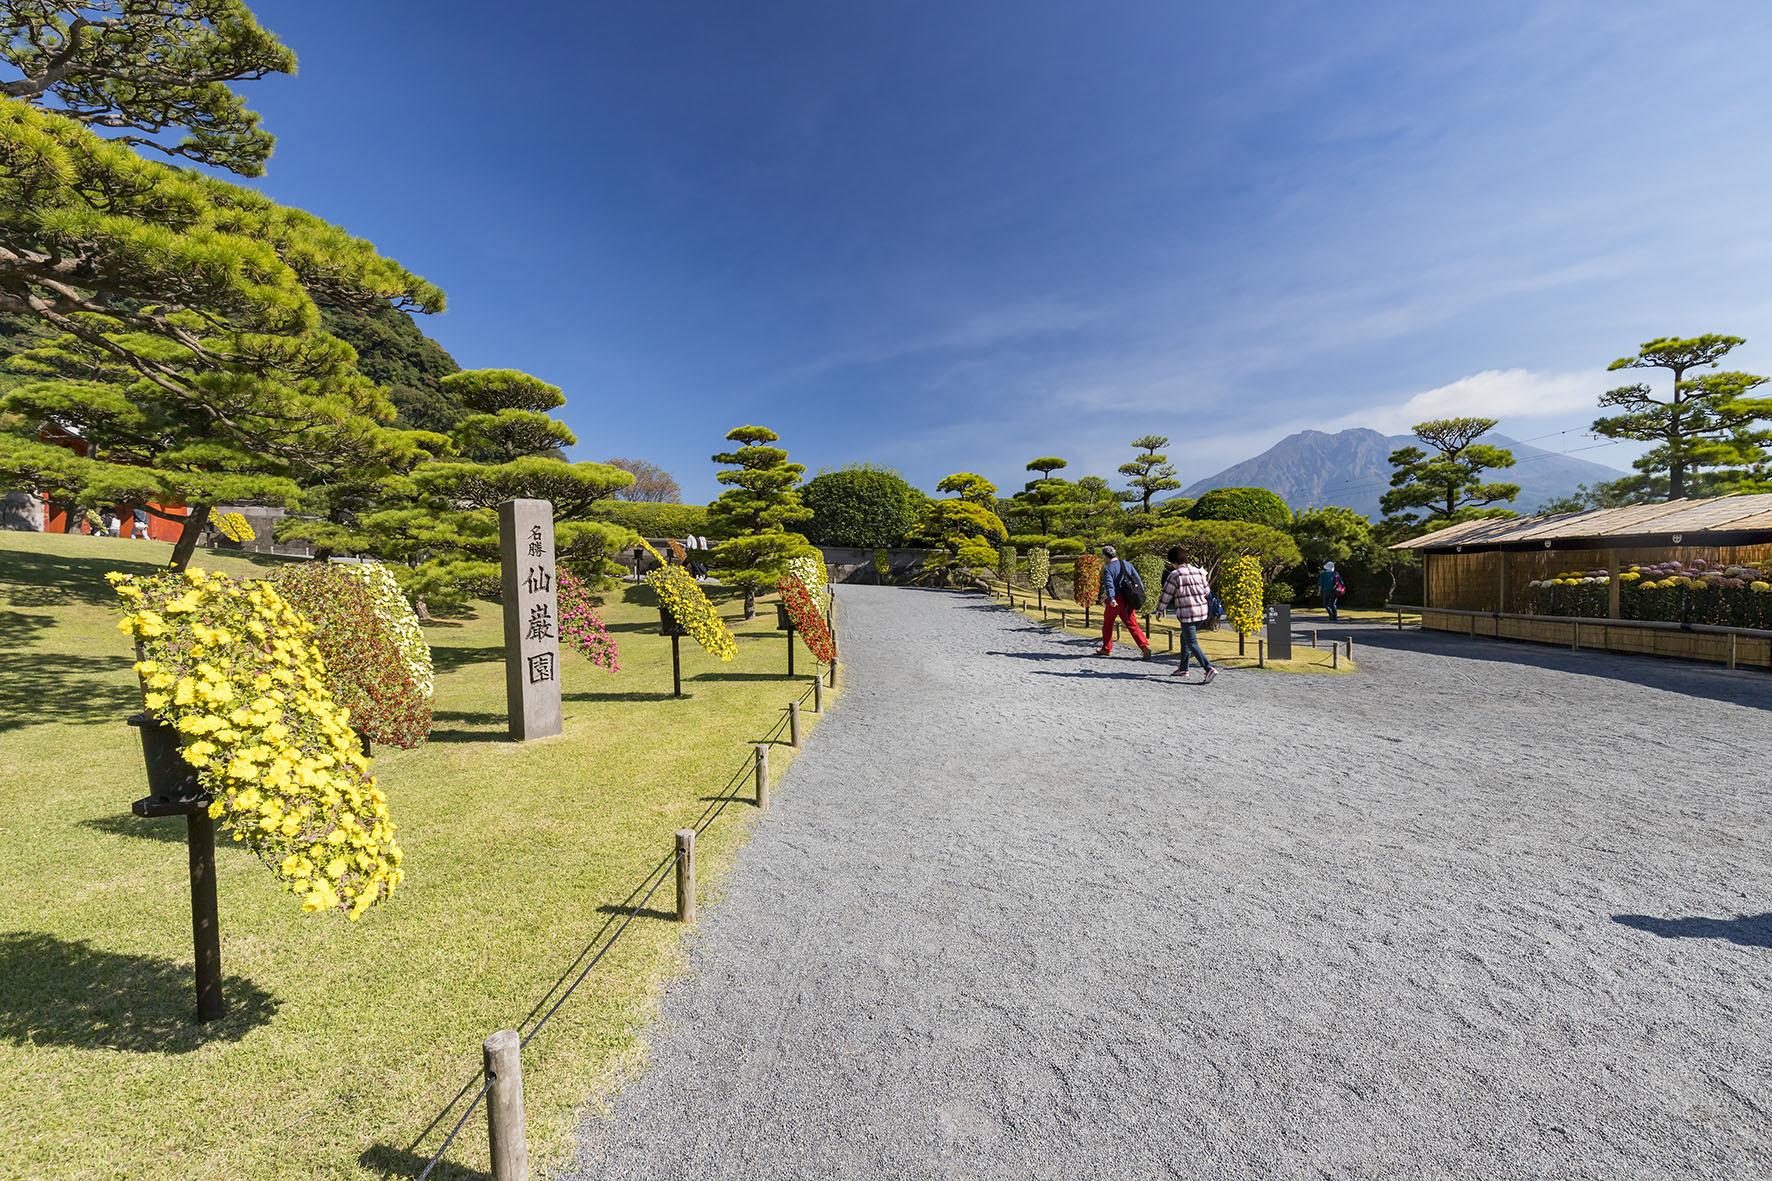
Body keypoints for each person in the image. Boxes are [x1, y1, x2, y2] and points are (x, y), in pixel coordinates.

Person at [1157, 545, 1216, 683]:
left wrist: (1160, 610)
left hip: (1188, 613)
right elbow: (1207, 591)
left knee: (1191, 642)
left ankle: (1209, 669)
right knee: (1185, 637)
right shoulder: (1198, 572)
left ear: (1172, 561)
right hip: (1202, 612)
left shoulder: (1175, 575)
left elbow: (1166, 594)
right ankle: (1183, 668)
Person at [1094, 545, 1152, 659]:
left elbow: (1110, 585)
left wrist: (1111, 599)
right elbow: (1137, 579)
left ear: (1105, 556)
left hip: (1116, 599)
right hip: (1129, 599)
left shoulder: (1108, 568)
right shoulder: (1127, 564)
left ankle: (1106, 648)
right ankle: (1144, 646)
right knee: (1132, 624)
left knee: (1108, 624)